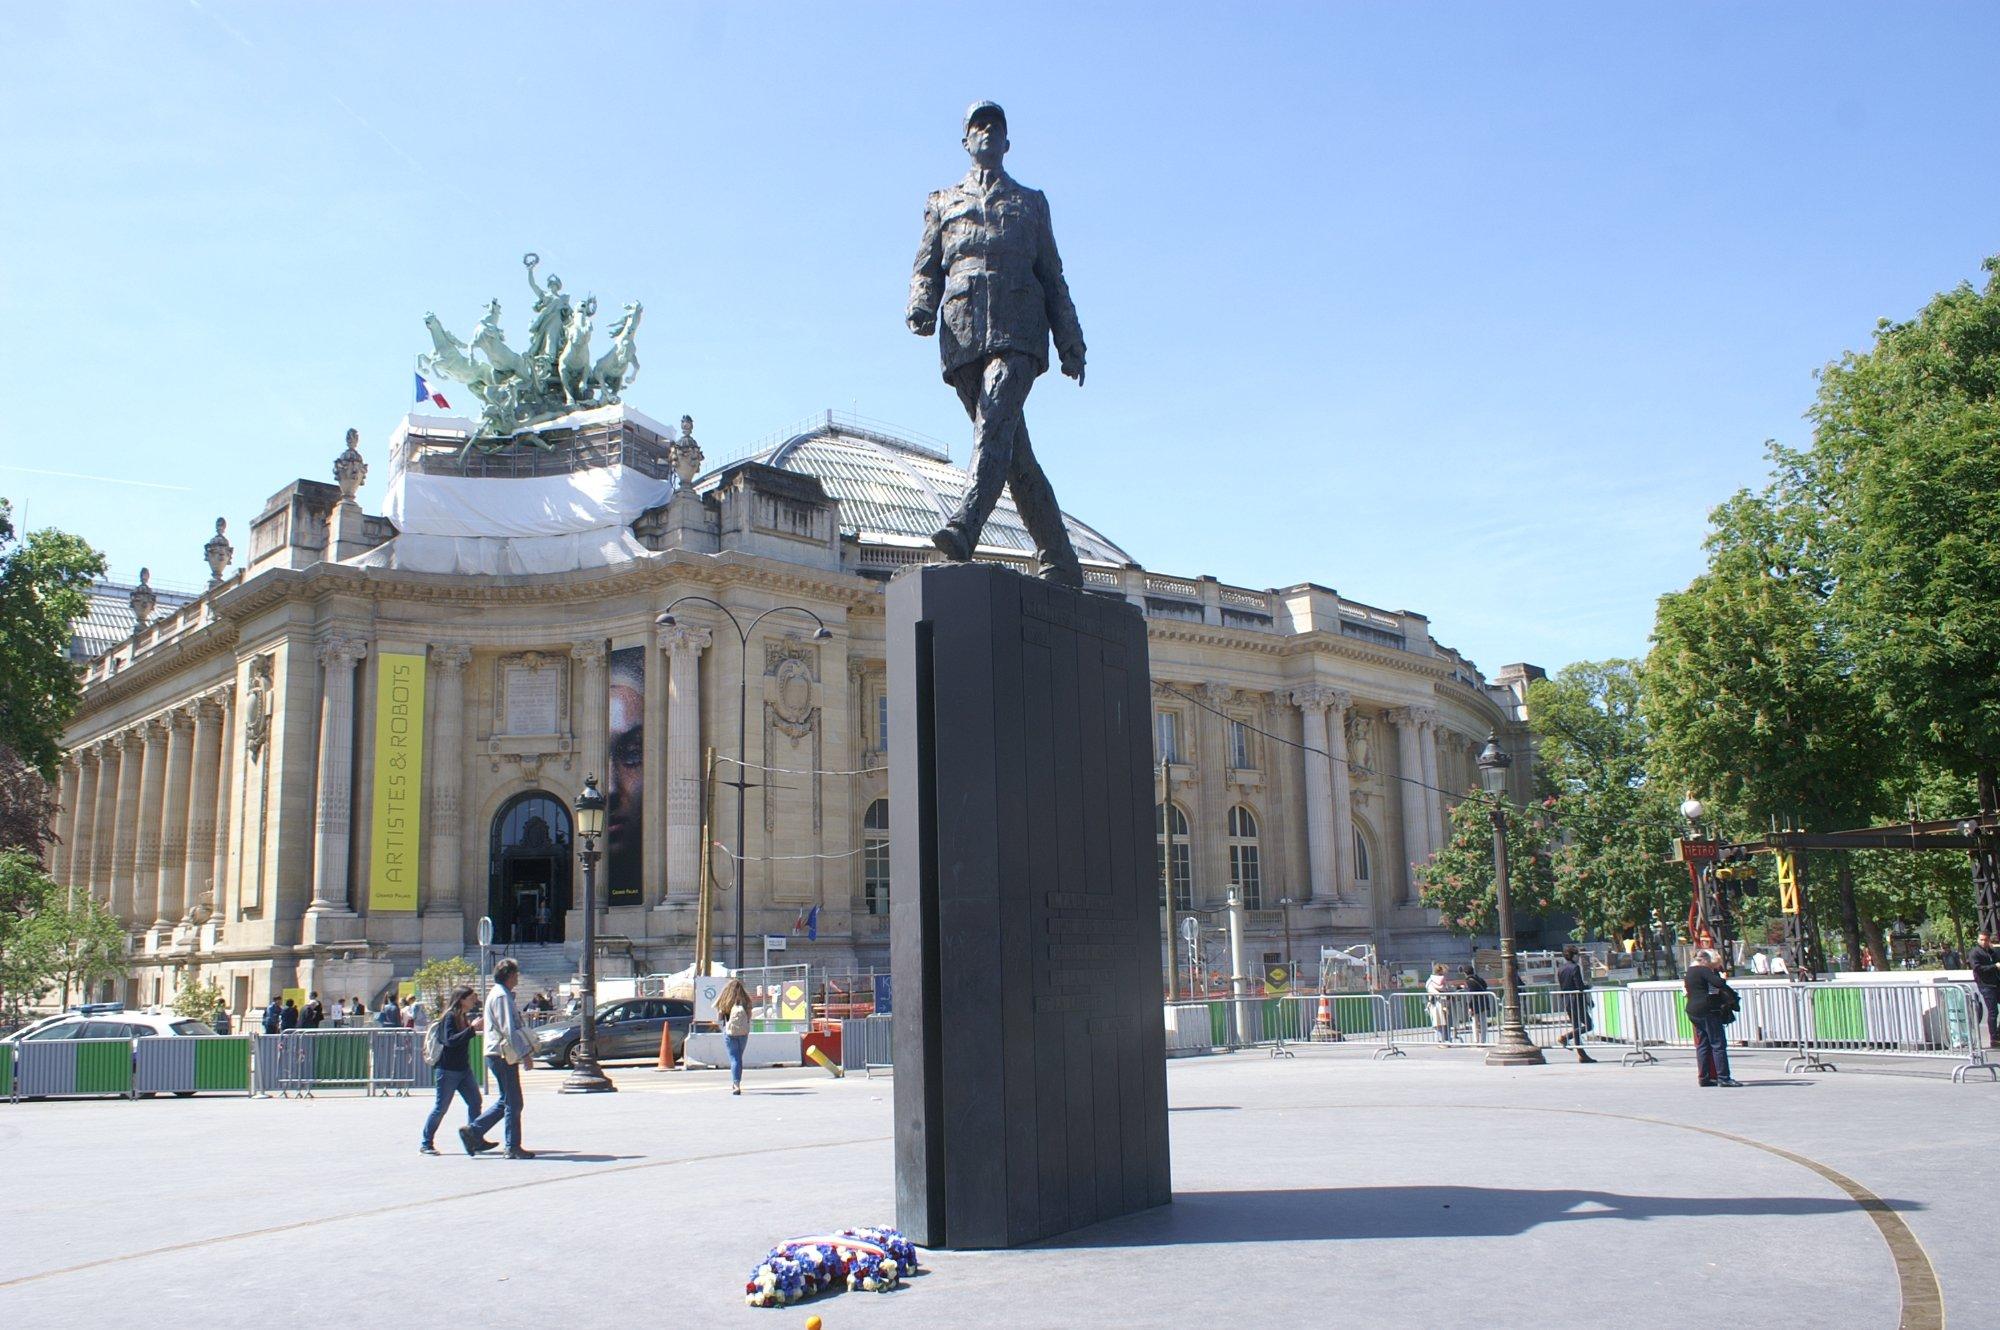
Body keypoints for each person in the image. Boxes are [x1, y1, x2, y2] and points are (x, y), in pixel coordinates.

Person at [907, 100, 1089, 587]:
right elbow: (926, 268)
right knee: (1013, 451)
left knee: (993, 423)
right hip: (962, 331)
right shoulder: (942, 201)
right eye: (977, 125)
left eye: (995, 126)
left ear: (1007, 143)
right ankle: (1059, 553)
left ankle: (965, 526)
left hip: (1020, 330)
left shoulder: (1031, 202)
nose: (986, 131)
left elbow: (1053, 277)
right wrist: (920, 305)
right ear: (966, 141)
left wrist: (1071, 340)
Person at [464, 957, 537, 1159]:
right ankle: (511, 1146)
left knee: (508, 1100)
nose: (518, 978)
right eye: (516, 974)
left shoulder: (500, 994)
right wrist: (525, 1054)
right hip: (502, 1054)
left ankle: (474, 1131)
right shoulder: (502, 997)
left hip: (498, 1053)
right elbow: (509, 1029)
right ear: (510, 975)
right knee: (514, 1102)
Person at [421, 987, 485, 1156]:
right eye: (471, 998)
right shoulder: (449, 1017)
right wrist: (471, 1029)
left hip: (463, 1069)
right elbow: (450, 1041)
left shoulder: (462, 1017)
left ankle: (474, 1138)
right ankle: (426, 1142)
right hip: (447, 1070)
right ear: (461, 999)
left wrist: (470, 1029)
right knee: (441, 1108)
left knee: (475, 1101)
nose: (474, 1001)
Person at [1685, 948, 1742, 1087]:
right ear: (1705, 960)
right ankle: (1724, 1077)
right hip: (1707, 1009)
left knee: (1703, 1044)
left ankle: (1704, 1078)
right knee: (1718, 1044)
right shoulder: (1703, 969)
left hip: (1693, 1009)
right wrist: (1722, 978)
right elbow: (1719, 983)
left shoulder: (1690, 971)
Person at [1554, 944, 1596, 1063]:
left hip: (1566, 1001)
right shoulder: (1575, 968)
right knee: (1589, 1025)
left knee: (1576, 1026)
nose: (1578, 957)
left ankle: (1581, 1054)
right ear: (1573, 955)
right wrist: (1588, 986)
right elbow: (1580, 987)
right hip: (1576, 1000)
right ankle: (1566, 1037)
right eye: (1577, 954)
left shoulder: (1560, 969)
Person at [715, 976, 754, 1094]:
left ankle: (736, 1084)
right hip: (743, 1033)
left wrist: (722, 1028)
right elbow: (749, 1016)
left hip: (729, 1032)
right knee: (739, 1058)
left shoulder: (725, 1000)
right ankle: (736, 1082)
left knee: (734, 1058)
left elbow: (719, 1018)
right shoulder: (746, 1000)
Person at [1970, 930, 2000, 1050]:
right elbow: (1977, 968)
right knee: (1993, 1011)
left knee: (1994, 1012)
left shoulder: (1991, 952)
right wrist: (1994, 966)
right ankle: (1994, 1038)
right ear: (1978, 940)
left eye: (1985, 940)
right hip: (1986, 985)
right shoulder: (1975, 953)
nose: (1983, 942)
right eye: (1981, 940)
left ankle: (1997, 1033)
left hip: (1996, 984)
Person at [1459, 965, 1490, 1044]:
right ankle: (1483, 1041)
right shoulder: (1480, 979)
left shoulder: (1468, 981)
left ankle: (1476, 1040)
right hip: (1483, 1002)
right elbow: (1485, 986)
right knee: (1483, 1022)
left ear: (1465, 973)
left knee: (1474, 1022)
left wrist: (1469, 1006)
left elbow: (1469, 995)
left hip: (1474, 1004)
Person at [1424, 964, 1453, 1044]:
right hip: (1444, 1003)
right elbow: (1448, 990)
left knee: (1437, 1024)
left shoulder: (1430, 981)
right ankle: (1447, 1040)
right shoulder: (1443, 981)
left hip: (1435, 1003)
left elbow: (1431, 991)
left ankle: (1441, 1041)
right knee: (1446, 1023)